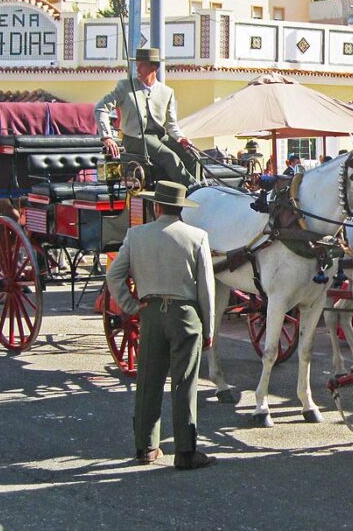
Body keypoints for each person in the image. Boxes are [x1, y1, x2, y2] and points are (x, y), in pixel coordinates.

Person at [106, 181, 216, 470]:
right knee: (184, 384)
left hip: (151, 312)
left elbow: (114, 276)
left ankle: (146, 446)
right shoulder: (197, 236)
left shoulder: (136, 235)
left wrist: (131, 306)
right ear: (182, 209)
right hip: (185, 314)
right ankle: (185, 450)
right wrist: (209, 327)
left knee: (148, 381)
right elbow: (206, 288)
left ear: (156, 206)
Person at [95, 47, 198, 186]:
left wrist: (181, 138)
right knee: (169, 157)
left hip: (160, 137)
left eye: (141, 65)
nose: (137, 68)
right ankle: (193, 188)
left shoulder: (167, 92)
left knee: (192, 156)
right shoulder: (125, 87)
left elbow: (170, 124)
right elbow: (101, 108)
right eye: (136, 64)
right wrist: (107, 137)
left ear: (154, 67)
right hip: (135, 139)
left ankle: (201, 186)